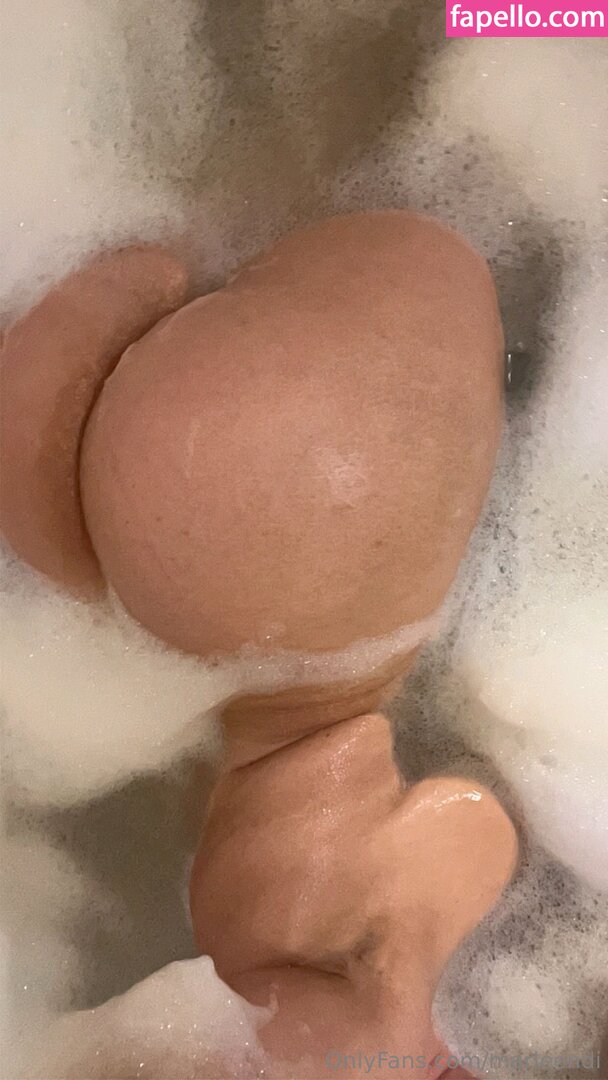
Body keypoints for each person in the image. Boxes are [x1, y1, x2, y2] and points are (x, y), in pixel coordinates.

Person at [0, 211, 518, 1078]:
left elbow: (335, 1027)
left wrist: (401, 1027)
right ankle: (72, 360)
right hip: (213, 560)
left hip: (318, 508)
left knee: (423, 265)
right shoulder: (263, 931)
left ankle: (150, 290)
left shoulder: (355, 945)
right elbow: (291, 1039)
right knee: (64, 530)